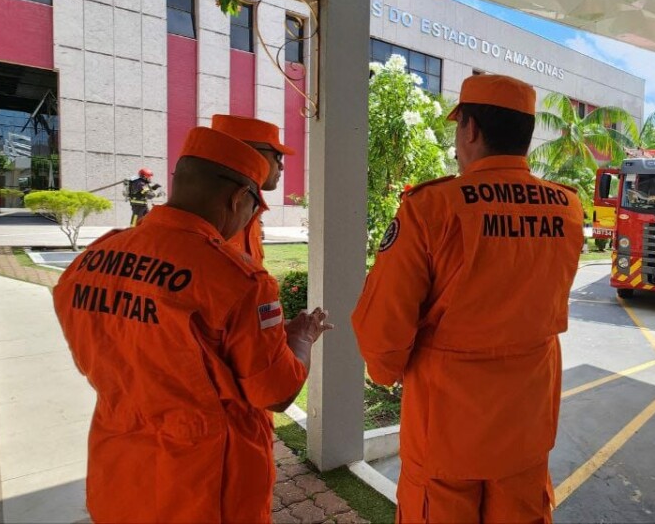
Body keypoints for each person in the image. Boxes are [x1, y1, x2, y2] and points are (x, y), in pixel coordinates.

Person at [52, 127, 333, 523]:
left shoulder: (91, 260)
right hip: (205, 485)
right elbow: (276, 393)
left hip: (118, 470)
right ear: (238, 198)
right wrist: (302, 337)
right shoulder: (239, 280)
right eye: (255, 206)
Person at [352, 74, 584, 523]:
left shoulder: (431, 207)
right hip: (527, 426)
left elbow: (383, 328)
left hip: (446, 432)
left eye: (458, 128)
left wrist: (384, 372)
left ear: (471, 129)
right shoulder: (567, 207)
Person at [211, 114, 296, 268]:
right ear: (249, 153)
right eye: (278, 156)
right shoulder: (213, 217)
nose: (281, 166)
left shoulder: (250, 206)